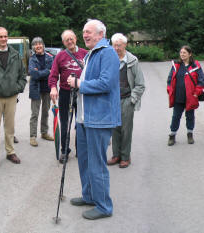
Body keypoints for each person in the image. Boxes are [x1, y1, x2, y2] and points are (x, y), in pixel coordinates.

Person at [66, 19, 120, 220]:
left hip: (99, 118)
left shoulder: (108, 53)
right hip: (84, 118)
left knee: (97, 164)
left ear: (101, 34)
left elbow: (106, 83)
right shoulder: (90, 54)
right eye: (83, 32)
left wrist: (79, 83)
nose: (85, 35)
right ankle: (89, 196)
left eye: (89, 32)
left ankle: (104, 206)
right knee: (85, 161)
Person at [0, 27, 27, 168]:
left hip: (11, 96)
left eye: (5, 36)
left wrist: (18, 88)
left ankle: (10, 152)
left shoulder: (15, 55)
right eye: (0, 36)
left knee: (10, 127)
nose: (3, 39)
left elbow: (23, 74)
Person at [106, 33, 145, 168]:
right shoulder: (109, 59)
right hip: (112, 100)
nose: (116, 48)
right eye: (114, 45)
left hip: (127, 99)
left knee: (126, 130)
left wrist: (132, 100)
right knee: (114, 129)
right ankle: (116, 155)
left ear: (125, 45)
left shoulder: (133, 61)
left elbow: (140, 84)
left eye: (119, 45)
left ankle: (125, 157)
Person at [48, 29, 88, 160]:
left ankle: (80, 149)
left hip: (82, 92)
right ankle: (65, 150)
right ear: (63, 42)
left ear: (76, 38)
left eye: (71, 38)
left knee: (81, 122)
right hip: (65, 93)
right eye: (67, 40)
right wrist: (53, 87)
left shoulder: (85, 54)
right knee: (65, 123)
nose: (70, 41)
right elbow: (53, 75)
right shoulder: (60, 56)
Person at [166, 45, 204, 145]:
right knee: (176, 116)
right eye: (181, 52)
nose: (182, 54)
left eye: (184, 53)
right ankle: (172, 135)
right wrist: (169, 90)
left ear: (189, 54)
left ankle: (190, 134)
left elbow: (202, 81)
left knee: (190, 116)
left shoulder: (195, 66)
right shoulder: (176, 65)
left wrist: (197, 93)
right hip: (178, 96)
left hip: (190, 97)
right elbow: (170, 79)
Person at [27, 37, 55, 147]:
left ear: (43, 45)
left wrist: (40, 73)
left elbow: (52, 72)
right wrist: (46, 72)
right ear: (33, 47)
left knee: (45, 112)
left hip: (47, 88)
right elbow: (34, 74)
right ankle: (32, 136)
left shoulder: (49, 57)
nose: (38, 46)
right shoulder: (32, 59)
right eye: (35, 44)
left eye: (40, 44)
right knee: (34, 113)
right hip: (35, 89)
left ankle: (44, 133)